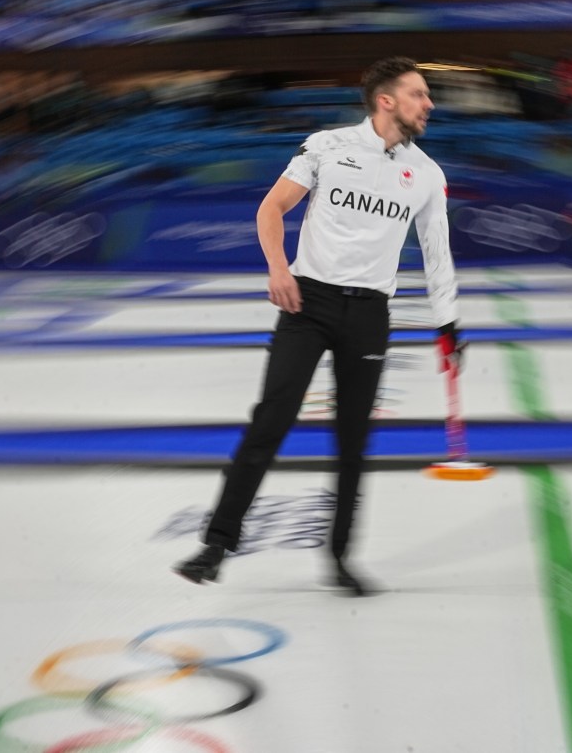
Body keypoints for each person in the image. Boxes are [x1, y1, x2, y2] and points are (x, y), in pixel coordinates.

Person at [176, 57, 462, 596]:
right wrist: (278, 270)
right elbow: (271, 209)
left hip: (370, 315)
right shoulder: (327, 146)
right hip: (308, 305)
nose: (429, 105)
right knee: (270, 421)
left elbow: (437, 256)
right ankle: (215, 544)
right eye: (419, 95)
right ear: (386, 101)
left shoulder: (427, 174)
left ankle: (339, 559)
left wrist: (448, 324)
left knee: (353, 441)